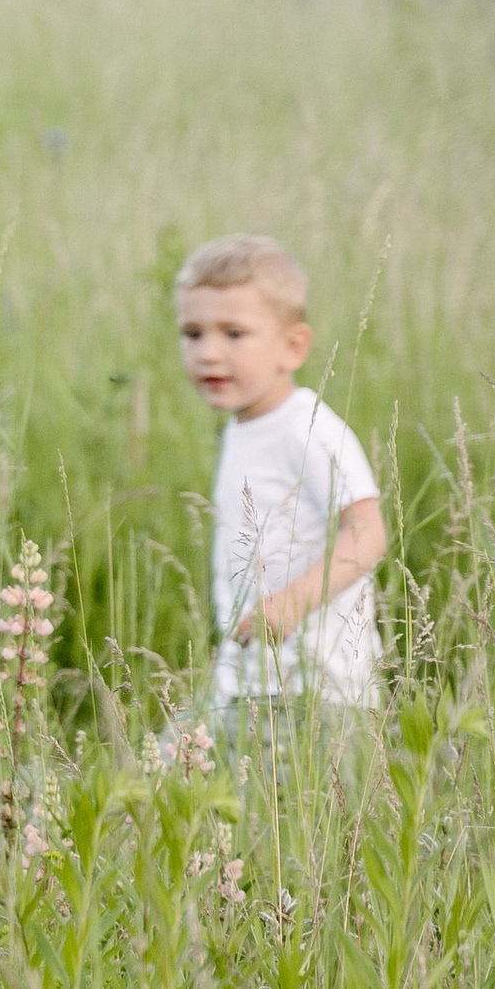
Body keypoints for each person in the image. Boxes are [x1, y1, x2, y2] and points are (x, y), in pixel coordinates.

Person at [175, 233, 388, 738]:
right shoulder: (244, 425)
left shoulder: (306, 426)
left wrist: (293, 600)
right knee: (155, 786)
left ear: (291, 347)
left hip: (318, 696)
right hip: (247, 687)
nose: (208, 353)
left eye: (233, 334)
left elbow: (368, 531)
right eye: (192, 333)